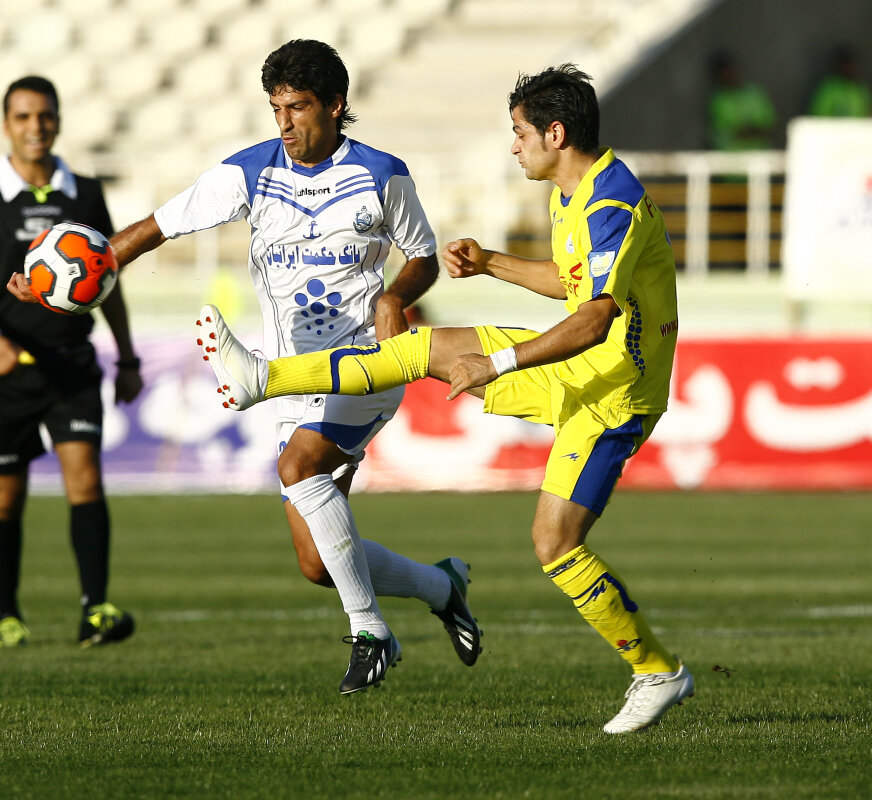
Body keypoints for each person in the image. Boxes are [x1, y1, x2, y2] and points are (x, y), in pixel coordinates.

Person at [195, 64, 693, 733]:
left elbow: (594, 319)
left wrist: (498, 363)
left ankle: (657, 671)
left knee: (554, 543)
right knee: (423, 348)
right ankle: (264, 378)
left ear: (555, 133)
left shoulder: (611, 204)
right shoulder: (572, 192)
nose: (513, 146)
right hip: (578, 364)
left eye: (520, 133)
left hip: (614, 393)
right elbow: (571, 282)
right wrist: (490, 262)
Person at [11, 40, 482, 694]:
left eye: (298, 108)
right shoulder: (251, 171)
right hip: (288, 381)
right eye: (276, 109)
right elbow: (156, 227)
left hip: (366, 366)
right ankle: (442, 586)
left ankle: (371, 633)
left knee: (298, 468)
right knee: (317, 562)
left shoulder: (382, 173)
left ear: (335, 105)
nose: (285, 123)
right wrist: (67, 278)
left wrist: (393, 297)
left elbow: (423, 256)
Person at [0, 75, 142, 649]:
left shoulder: (84, 193)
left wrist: (127, 357)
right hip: (5, 369)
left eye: (45, 116)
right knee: (5, 495)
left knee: (86, 479)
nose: (36, 127)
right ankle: (7, 615)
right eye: (24, 117)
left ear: (58, 121)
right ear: (6, 125)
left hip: (71, 362)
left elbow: (107, 282)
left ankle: (94, 610)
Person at [707, 52, 776, 151]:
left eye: (731, 72)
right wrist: (752, 131)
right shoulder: (718, 101)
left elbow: (770, 126)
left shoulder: (755, 93)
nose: (730, 77)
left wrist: (750, 131)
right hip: (731, 157)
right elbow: (725, 134)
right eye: (725, 75)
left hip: (761, 154)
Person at [808, 46, 871, 118]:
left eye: (851, 65)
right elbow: (818, 116)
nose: (849, 69)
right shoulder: (828, 89)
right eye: (846, 65)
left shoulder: (860, 90)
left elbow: (867, 116)